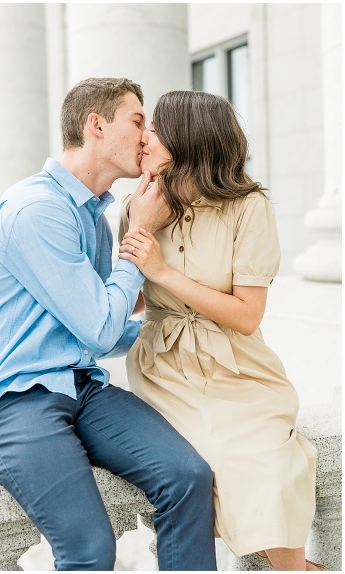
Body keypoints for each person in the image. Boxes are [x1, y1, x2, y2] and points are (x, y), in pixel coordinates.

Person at [0, 77, 218, 571]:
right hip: (10, 402)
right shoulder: (37, 210)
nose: (147, 136)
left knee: (188, 477)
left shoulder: (92, 217)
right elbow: (100, 326)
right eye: (137, 121)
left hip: (80, 387)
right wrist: (140, 231)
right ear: (96, 125)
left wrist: (173, 331)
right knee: (90, 548)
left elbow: (98, 325)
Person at [118, 90, 322, 571]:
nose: (143, 139)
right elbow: (132, 297)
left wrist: (163, 273)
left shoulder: (248, 207)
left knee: (270, 462)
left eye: (155, 130)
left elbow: (248, 314)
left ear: (187, 140)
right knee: (210, 461)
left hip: (238, 364)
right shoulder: (136, 205)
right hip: (165, 369)